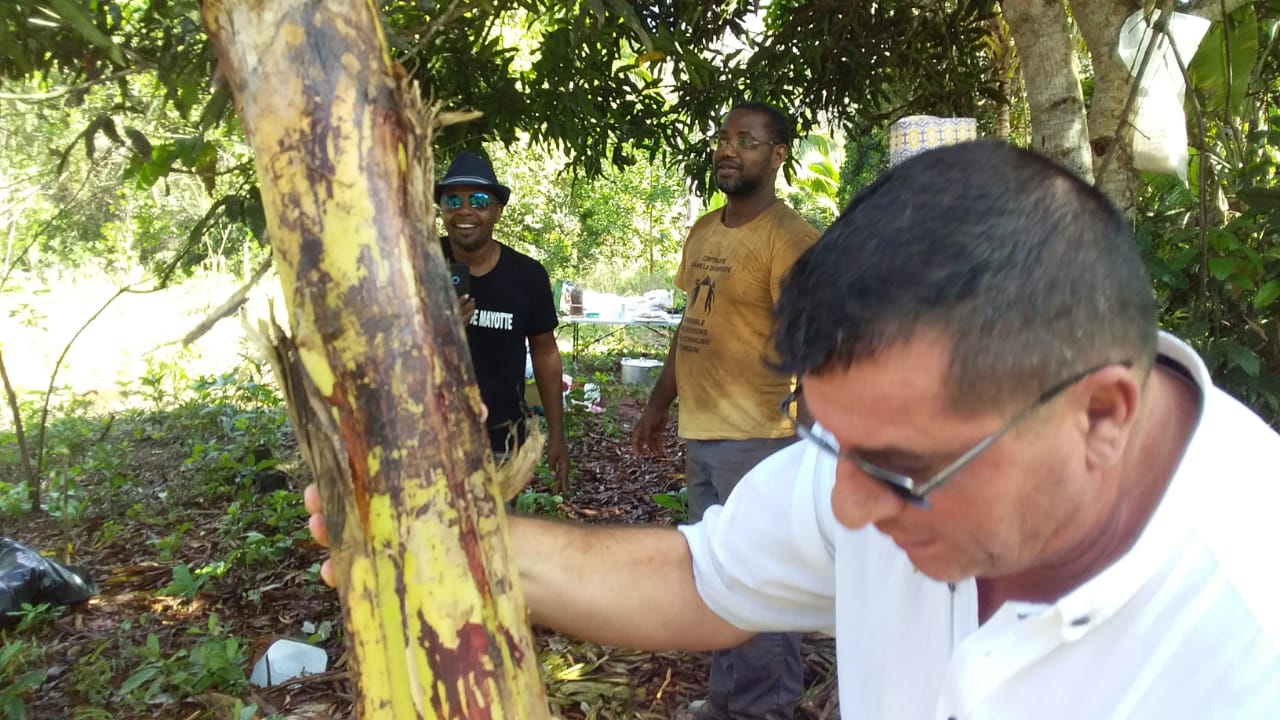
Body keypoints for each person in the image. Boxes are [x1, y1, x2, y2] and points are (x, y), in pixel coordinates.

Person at [310, 141, 1280, 716]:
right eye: (824, 438)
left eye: (898, 470)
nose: (846, 506)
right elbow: (705, 576)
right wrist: (455, 548)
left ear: (1099, 416)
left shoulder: (1247, 630)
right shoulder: (866, 469)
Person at [630, 101, 820, 720]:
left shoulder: (790, 241)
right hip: (707, 434)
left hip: (762, 438)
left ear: (778, 154)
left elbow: (815, 345)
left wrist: (817, 441)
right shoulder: (706, 229)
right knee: (720, 576)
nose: (728, 149)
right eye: (722, 137)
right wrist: (659, 405)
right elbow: (694, 322)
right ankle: (727, 699)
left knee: (762, 581)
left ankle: (767, 709)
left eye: (747, 140)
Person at [435, 151, 568, 488]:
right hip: (428, 440)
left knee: (495, 536)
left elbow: (545, 353)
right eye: (453, 200)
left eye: (478, 200)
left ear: (497, 210)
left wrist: (557, 435)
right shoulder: (418, 265)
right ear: (442, 210)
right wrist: (440, 329)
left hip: (501, 441)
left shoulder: (527, 275)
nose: (465, 210)